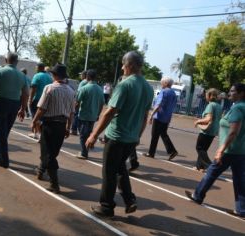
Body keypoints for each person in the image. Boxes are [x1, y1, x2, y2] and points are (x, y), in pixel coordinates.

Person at [85, 51, 154, 217]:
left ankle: (106, 206)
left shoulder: (125, 85)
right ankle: (130, 199)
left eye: (123, 64)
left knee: (109, 172)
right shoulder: (148, 88)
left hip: (117, 137)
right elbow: (145, 117)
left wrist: (94, 134)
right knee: (120, 168)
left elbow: (110, 112)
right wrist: (138, 136)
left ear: (130, 65)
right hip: (131, 138)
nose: (122, 68)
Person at [186, 83, 245, 219]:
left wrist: (221, 150)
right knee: (239, 179)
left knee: (212, 172)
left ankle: (198, 195)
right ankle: (242, 209)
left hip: (230, 150)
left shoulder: (238, 109)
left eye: (232, 91)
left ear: (241, 93)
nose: (229, 93)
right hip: (240, 150)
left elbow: (233, 132)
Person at [33, 63, 75, 193]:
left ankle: (54, 184)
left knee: (48, 154)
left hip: (50, 124)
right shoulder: (71, 91)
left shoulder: (50, 88)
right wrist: (68, 127)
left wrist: (34, 121)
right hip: (61, 125)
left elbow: (42, 108)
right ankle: (41, 170)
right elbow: (72, 112)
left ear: (55, 75)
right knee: (52, 152)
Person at [143, 77, 178, 160]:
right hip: (166, 117)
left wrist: (151, 115)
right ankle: (172, 150)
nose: (161, 84)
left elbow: (159, 105)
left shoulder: (164, 91)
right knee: (163, 134)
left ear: (166, 83)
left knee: (155, 135)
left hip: (159, 116)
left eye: (162, 83)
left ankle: (151, 153)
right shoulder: (173, 93)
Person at [75, 69, 104, 159]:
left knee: (83, 135)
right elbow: (101, 103)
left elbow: (77, 102)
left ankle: (84, 153)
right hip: (93, 116)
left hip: (84, 115)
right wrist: (98, 114)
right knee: (87, 133)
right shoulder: (99, 89)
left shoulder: (84, 88)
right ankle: (87, 147)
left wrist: (75, 112)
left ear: (87, 77)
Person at [193, 88, 222, 172]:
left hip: (206, 131)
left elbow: (208, 119)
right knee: (204, 149)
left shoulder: (210, 105)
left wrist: (198, 121)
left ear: (209, 96)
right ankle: (200, 167)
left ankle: (210, 166)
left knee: (199, 148)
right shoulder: (219, 106)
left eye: (206, 95)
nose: (205, 96)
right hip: (213, 131)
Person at [28, 63, 52, 139]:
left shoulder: (37, 76)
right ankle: (35, 133)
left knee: (36, 117)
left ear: (39, 68)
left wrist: (30, 99)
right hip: (46, 100)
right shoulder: (49, 77)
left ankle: (40, 134)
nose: (36, 69)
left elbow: (33, 88)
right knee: (41, 118)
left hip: (37, 99)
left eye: (36, 67)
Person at [71, 70, 87, 136]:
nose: (80, 76)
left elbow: (79, 92)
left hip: (79, 101)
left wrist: (76, 102)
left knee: (76, 115)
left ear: (84, 75)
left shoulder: (83, 82)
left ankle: (74, 129)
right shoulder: (88, 82)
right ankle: (80, 130)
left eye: (81, 74)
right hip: (85, 102)